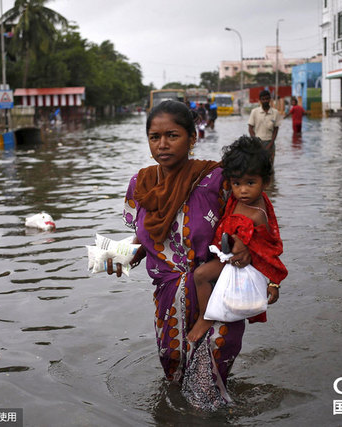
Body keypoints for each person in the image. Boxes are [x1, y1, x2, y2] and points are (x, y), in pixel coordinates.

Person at [106, 100, 254, 406]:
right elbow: (147, 238)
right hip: (168, 301)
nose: (162, 144)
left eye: (172, 135)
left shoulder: (217, 180)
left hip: (215, 295)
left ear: (192, 137)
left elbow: (253, 219)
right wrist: (121, 254)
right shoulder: (141, 184)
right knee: (174, 377)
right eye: (154, 137)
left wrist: (246, 247)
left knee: (208, 390)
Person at [187, 136, 288, 342]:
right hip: (225, 255)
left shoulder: (257, 215)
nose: (243, 190)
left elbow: (267, 250)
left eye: (250, 183)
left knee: (200, 275)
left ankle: (205, 317)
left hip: (237, 264)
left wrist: (274, 283)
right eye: (237, 183)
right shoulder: (234, 198)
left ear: (265, 182)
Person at [248, 90, 282, 164]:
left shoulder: (275, 113)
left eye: (267, 99)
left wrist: (270, 144)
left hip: (270, 142)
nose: (265, 101)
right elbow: (250, 128)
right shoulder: (254, 112)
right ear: (260, 100)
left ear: (270, 99)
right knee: (257, 165)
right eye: (263, 99)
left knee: (269, 166)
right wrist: (256, 142)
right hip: (257, 143)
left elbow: (276, 130)